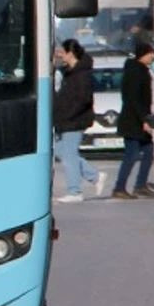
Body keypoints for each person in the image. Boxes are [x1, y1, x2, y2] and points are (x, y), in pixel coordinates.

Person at [52, 39, 100, 203]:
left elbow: (83, 99)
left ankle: (75, 191)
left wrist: (68, 115)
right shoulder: (68, 72)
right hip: (64, 120)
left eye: (62, 52)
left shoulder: (82, 74)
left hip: (74, 120)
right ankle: (94, 175)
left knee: (69, 155)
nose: (60, 55)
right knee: (60, 151)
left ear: (70, 53)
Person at [113, 41, 154, 200]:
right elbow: (134, 99)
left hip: (138, 118)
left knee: (148, 150)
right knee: (131, 154)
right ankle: (119, 187)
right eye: (150, 53)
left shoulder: (141, 70)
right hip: (133, 120)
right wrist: (144, 120)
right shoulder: (135, 72)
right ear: (142, 54)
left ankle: (140, 185)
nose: (153, 56)